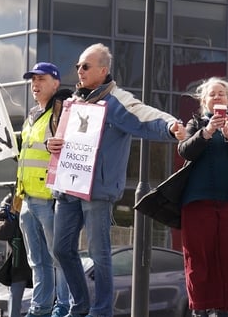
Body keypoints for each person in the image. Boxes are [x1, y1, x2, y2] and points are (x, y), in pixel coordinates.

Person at [48, 43, 187, 317]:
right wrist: (50, 142)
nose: (79, 70)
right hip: (67, 188)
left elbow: (145, 114)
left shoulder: (116, 100)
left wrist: (171, 125)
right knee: (61, 250)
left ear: (103, 70)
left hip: (97, 191)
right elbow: (58, 136)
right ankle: (81, 305)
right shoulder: (72, 103)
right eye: (78, 66)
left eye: (85, 66)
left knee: (100, 255)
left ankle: (101, 312)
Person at [137, 78, 228, 317]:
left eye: (222, 94)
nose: (217, 97)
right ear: (203, 101)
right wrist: (206, 133)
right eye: (212, 94)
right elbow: (185, 150)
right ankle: (200, 310)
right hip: (198, 203)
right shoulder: (195, 124)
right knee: (199, 258)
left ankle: (223, 310)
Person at [17, 62, 73, 317]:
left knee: (59, 257)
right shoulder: (31, 116)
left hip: (50, 199)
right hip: (27, 199)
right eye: (32, 80)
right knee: (37, 261)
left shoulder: (60, 112)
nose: (35, 85)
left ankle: (62, 307)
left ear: (56, 83)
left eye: (41, 79)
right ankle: (40, 308)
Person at [0, 191, 33, 317]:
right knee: (15, 297)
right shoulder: (11, 199)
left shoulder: (43, 198)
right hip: (18, 256)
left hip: (40, 256)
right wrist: (12, 217)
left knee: (44, 295)